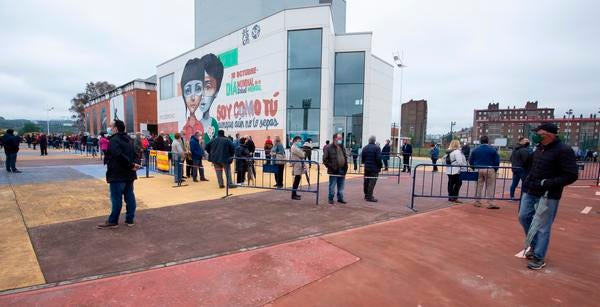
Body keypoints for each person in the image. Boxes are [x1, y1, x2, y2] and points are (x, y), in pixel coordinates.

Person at [519, 123, 578, 270]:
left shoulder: (564, 150)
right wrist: (527, 181)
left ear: (550, 135)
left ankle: (539, 257)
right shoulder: (539, 148)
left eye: (540, 132)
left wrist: (550, 183)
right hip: (531, 190)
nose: (536, 134)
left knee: (543, 226)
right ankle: (534, 245)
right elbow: (530, 166)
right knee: (523, 217)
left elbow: (571, 175)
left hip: (548, 194)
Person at [97, 120, 141, 229]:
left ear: (116, 128)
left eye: (111, 126)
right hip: (129, 174)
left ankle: (113, 221)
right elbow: (135, 153)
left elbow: (118, 155)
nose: (110, 128)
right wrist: (135, 164)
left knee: (116, 198)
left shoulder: (114, 140)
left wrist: (131, 165)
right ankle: (130, 219)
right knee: (130, 196)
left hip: (117, 173)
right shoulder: (130, 139)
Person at [180, 54, 224, 144]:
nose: (202, 95)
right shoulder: (195, 123)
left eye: (207, 87)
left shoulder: (212, 123)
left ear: (216, 92)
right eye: (200, 88)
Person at [469, 135, 500, 209]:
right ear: (488, 141)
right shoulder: (493, 150)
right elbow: (497, 161)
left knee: (478, 186)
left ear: (480, 141)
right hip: (489, 168)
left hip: (478, 168)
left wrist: (473, 167)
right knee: (490, 186)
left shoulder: (475, 150)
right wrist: (495, 169)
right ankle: (490, 202)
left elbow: (471, 161)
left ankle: (477, 201)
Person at [323, 133, 348, 205]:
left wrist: (345, 167)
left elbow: (345, 157)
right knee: (332, 186)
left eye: (341, 138)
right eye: (339, 138)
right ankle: (330, 198)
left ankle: (340, 198)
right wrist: (331, 167)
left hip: (342, 170)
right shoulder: (329, 147)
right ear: (334, 138)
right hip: (334, 170)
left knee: (341, 186)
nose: (341, 140)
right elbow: (325, 160)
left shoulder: (342, 147)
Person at [361, 135, 382, 202]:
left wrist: (365, 163)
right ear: (374, 141)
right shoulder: (377, 148)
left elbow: (363, 159)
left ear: (369, 140)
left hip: (367, 168)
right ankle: (369, 196)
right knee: (372, 182)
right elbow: (378, 159)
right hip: (374, 169)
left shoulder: (364, 148)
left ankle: (366, 195)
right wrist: (380, 166)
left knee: (366, 182)